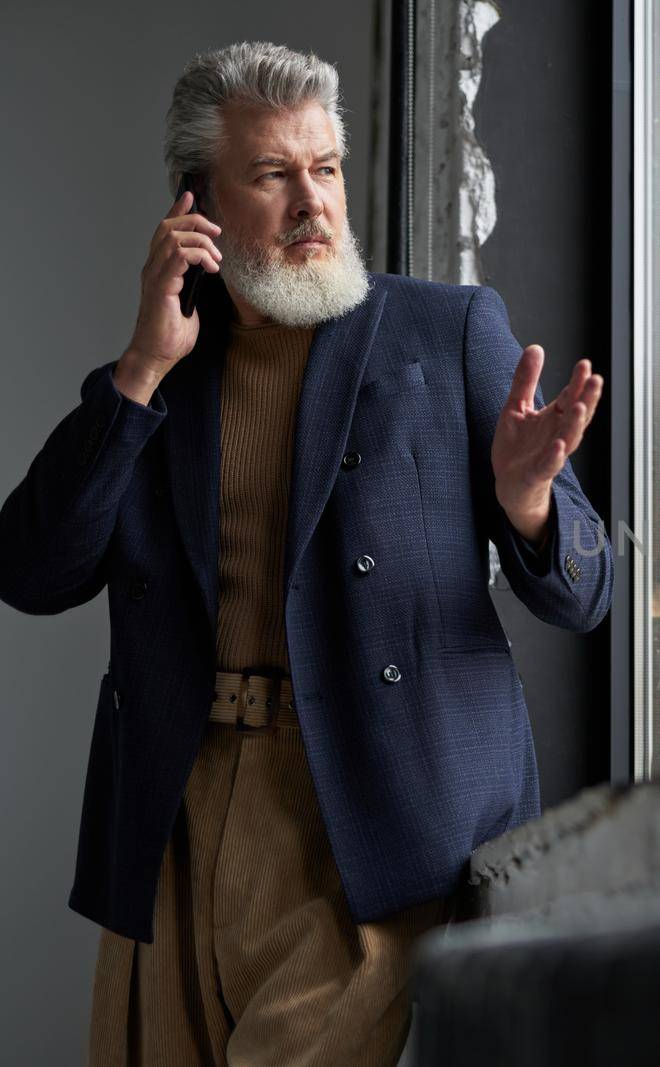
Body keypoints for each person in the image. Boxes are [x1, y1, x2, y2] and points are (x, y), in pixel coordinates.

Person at [0, 42, 612, 1064]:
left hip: (367, 820)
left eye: (324, 167)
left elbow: (587, 593)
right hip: (175, 817)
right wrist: (142, 367)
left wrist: (528, 499)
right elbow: (31, 569)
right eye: (273, 173)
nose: (312, 202)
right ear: (197, 205)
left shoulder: (446, 329)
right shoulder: (162, 375)